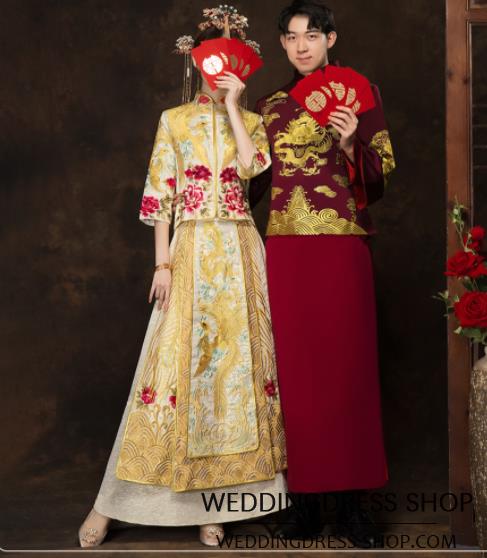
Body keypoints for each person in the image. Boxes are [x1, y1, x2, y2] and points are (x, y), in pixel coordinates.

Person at [78, 6, 287, 548]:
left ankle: (215, 506)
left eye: (232, 63)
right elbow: (160, 197)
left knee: (236, 375)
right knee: (171, 372)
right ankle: (111, 503)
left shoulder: (253, 122)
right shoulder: (174, 120)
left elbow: (252, 168)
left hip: (240, 250)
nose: (222, 72)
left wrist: (236, 105)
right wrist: (162, 263)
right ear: (197, 62)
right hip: (191, 248)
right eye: (213, 61)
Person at [249, 0, 396, 548]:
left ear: (330, 38)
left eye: (312, 35)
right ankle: (306, 503)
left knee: (348, 370)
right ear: (282, 45)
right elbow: (251, 182)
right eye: (291, 37)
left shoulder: (361, 94)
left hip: (341, 246)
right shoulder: (268, 106)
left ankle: (355, 508)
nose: (302, 45)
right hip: (286, 251)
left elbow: (382, 176)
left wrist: (352, 142)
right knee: (296, 376)